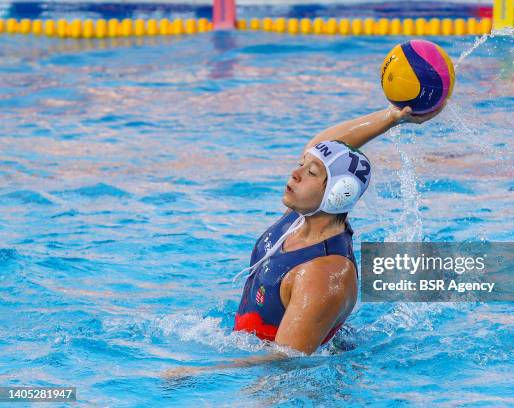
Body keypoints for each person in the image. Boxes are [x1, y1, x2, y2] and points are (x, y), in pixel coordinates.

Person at [162, 103, 444, 380]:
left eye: (310, 173)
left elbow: (285, 361)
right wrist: (393, 117)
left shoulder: (323, 274)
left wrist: (199, 373)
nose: (295, 173)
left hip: (297, 386)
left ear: (338, 194)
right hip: (252, 350)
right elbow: (324, 145)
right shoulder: (300, 218)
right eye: (301, 165)